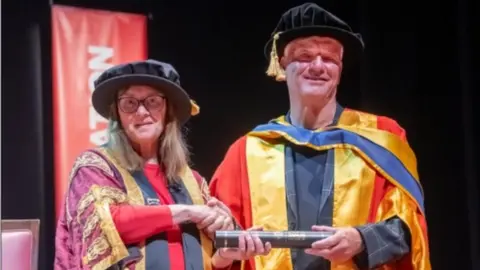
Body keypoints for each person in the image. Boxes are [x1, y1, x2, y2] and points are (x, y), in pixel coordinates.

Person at [209, 3, 431, 270]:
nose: (318, 66)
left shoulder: (383, 137)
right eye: (305, 56)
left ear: (339, 69)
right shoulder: (245, 153)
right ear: (282, 63)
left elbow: (407, 228)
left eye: (329, 59)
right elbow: (213, 248)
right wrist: (229, 251)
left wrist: (362, 239)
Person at [54, 59, 265, 270]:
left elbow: (208, 262)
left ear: (168, 111)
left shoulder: (193, 181)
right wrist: (187, 212)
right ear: (117, 113)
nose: (142, 112)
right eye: (129, 103)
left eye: (153, 101)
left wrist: (226, 255)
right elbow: (106, 223)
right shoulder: (96, 167)